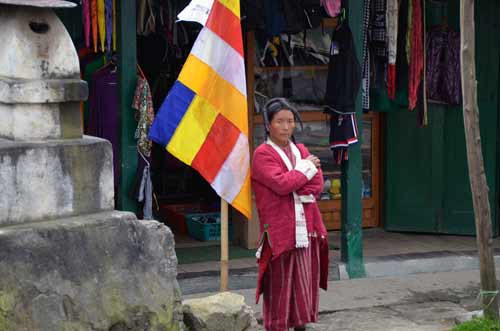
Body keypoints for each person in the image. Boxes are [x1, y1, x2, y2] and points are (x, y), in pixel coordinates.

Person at [252, 98, 330, 331]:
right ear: (268, 125)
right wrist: (305, 169)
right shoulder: (262, 155)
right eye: (280, 122)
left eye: (290, 121)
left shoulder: (301, 150)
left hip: (305, 228)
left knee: (304, 284)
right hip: (280, 231)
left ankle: (300, 325)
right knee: (279, 287)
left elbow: (316, 185)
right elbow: (282, 185)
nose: (286, 127)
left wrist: (298, 178)